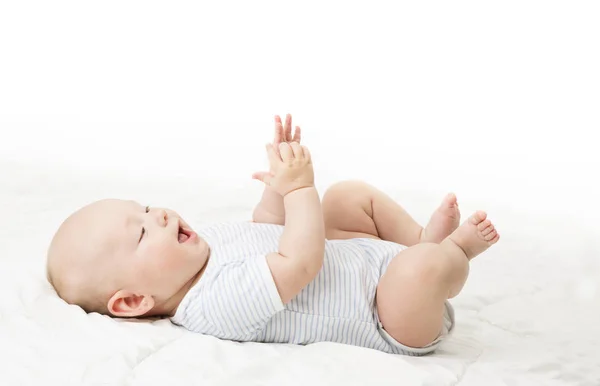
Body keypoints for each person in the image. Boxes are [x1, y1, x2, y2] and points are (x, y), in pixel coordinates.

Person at [46, 114, 499, 356]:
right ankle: (453, 253)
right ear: (133, 301)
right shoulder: (211, 304)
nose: (160, 215)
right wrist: (300, 188)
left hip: (362, 259)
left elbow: (267, 230)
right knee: (417, 273)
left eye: (145, 208)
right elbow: (299, 263)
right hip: (391, 316)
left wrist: (279, 187)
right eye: (142, 233)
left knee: (346, 197)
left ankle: (419, 239)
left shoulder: (203, 247)